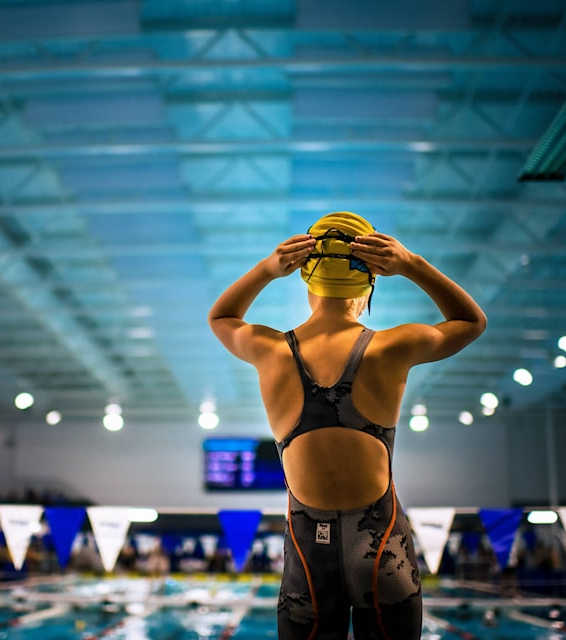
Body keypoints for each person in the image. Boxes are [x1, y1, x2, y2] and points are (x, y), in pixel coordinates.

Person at [208, 211, 486, 639]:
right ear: (371, 281)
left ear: (304, 278)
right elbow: (471, 322)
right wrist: (412, 263)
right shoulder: (393, 346)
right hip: (381, 548)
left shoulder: (270, 351)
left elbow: (221, 317)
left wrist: (266, 269)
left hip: (306, 553)